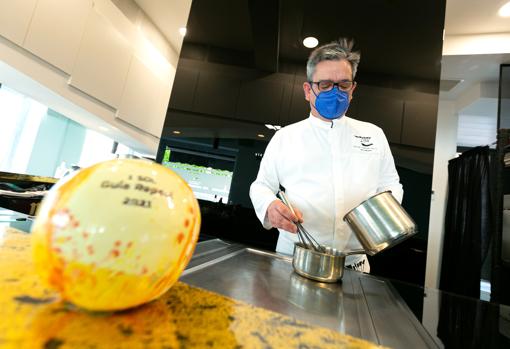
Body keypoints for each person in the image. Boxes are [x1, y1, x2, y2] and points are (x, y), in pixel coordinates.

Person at [249, 38, 403, 272]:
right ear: (308, 90)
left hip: (354, 263)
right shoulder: (286, 137)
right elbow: (261, 186)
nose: (335, 92)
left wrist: (382, 215)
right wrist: (270, 205)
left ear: (352, 89)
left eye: (343, 85)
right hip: (294, 258)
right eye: (325, 85)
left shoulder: (374, 134)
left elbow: (390, 183)